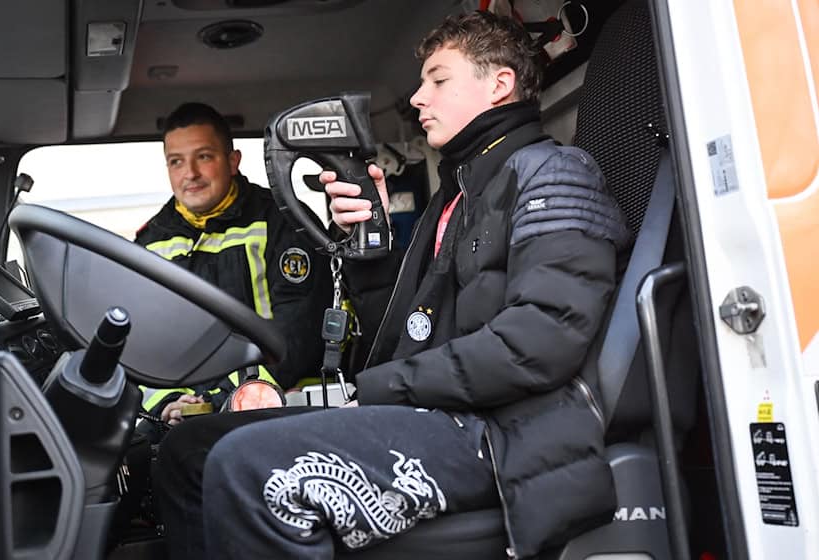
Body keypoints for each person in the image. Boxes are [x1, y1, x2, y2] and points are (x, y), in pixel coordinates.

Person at [154, 11, 631, 559]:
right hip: (440, 413)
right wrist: (370, 250)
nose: (418, 98)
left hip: (503, 435)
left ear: (499, 85)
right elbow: (409, 334)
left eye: (438, 79)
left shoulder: (555, 174)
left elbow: (541, 343)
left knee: (247, 469)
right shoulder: (457, 194)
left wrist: (378, 389)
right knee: (187, 449)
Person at [133, 102, 332, 423]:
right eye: (176, 162)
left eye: (204, 156)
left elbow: (299, 333)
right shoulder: (150, 242)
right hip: (183, 413)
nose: (190, 173)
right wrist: (165, 401)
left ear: (233, 161)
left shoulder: (284, 222)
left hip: (272, 405)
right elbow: (140, 344)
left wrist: (222, 397)